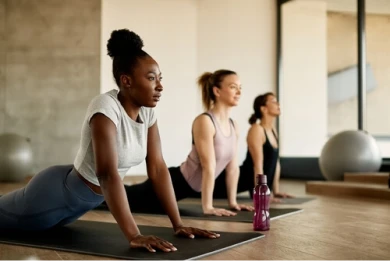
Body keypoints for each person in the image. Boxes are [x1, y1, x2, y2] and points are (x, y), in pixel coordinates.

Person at [0, 29, 220, 253]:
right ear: (127, 81)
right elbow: (106, 173)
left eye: (160, 78)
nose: (160, 86)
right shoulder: (105, 107)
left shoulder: (148, 114)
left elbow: (157, 168)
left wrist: (178, 224)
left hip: (76, 206)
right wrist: (134, 235)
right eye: (152, 78)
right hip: (51, 197)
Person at [120, 69, 254, 217]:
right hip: (173, 183)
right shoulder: (205, 121)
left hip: (187, 189)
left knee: (123, 196)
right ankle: (96, 188)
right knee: (122, 198)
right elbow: (208, 166)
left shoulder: (233, 125)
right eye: (233, 87)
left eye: (240, 87)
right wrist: (208, 207)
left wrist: (233, 203)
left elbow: (233, 169)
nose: (239, 92)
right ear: (217, 91)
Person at [211, 93, 294, 201]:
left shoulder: (273, 130)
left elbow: (275, 163)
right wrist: (261, 193)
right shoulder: (257, 130)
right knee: (198, 190)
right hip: (236, 181)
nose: (278, 104)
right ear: (264, 109)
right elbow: (257, 165)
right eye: (273, 101)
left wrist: (275, 191)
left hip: (253, 183)